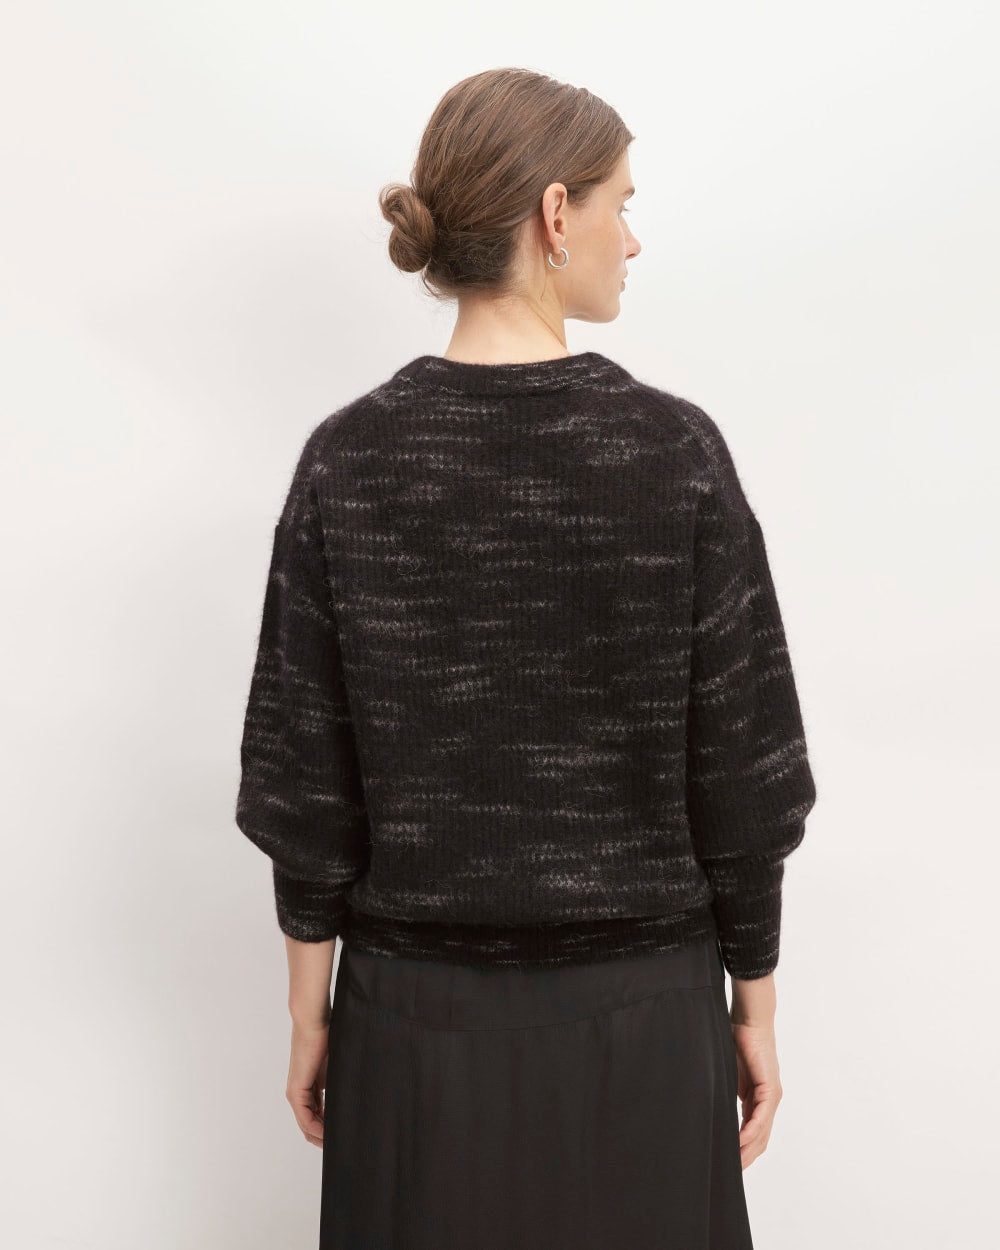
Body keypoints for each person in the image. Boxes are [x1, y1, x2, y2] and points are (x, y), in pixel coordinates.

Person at [235, 66, 817, 1250]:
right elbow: (743, 775)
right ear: (556, 214)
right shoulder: (672, 453)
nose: (631, 239)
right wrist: (752, 1000)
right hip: (646, 1025)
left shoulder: (349, 460)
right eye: (620, 203)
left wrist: (309, 1012)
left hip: (412, 1033)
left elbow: (305, 787)